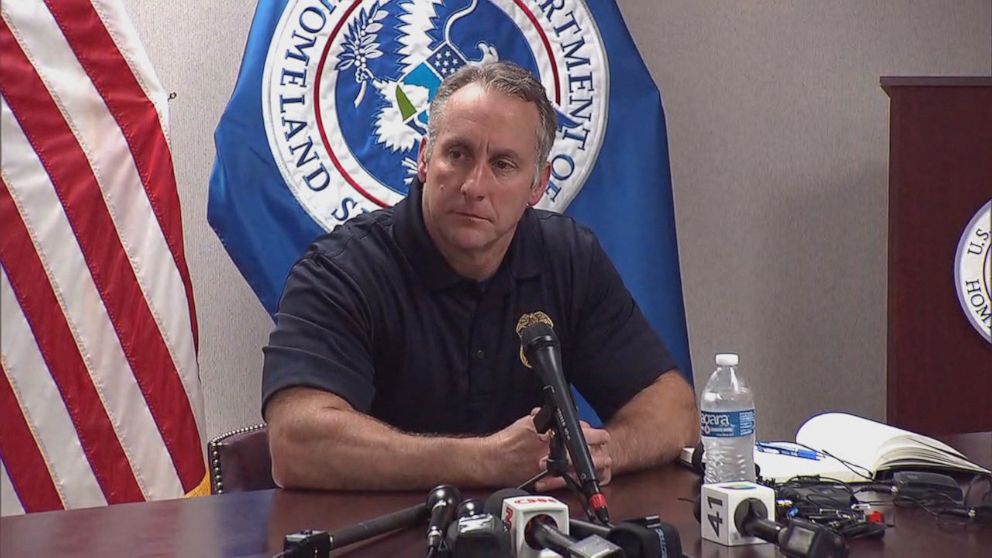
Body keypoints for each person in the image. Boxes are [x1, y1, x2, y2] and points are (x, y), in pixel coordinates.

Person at [262, 61, 698, 491]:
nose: (474, 185)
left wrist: (605, 453)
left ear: (538, 185)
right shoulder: (341, 270)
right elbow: (295, 443)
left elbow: (673, 409)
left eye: (503, 165)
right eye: (458, 154)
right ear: (424, 160)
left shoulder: (567, 257)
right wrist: (484, 461)